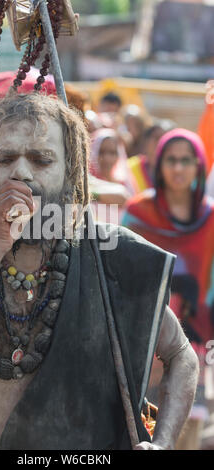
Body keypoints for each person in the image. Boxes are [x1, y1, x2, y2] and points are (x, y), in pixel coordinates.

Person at [0, 93, 198, 451]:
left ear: (71, 174)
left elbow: (180, 354)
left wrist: (164, 441)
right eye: (4, 158)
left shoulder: (111, 256)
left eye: (41, 159)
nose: (20, 172)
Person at [122, 128, 214, 449]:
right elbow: (120, 273)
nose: (178, 168)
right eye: (171, 160)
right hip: (143, 341)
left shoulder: (212, 217)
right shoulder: (137, 213)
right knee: (141, 430)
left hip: (198, 341)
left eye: (186, 161)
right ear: (158, 164)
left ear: (199, 166)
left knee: (188, 429)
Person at [89, 128, 132, 223]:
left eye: (112, 153)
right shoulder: (87, 180)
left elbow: (125, 198)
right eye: (101, 152)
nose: (107, 158)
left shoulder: (126, 181)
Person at [127, 121, 175, 194]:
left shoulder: (178, 170)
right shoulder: (129, 167)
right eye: (156, 138)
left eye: (166, 140)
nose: (160, 143)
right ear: (146, 141)